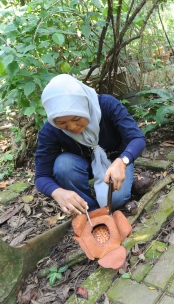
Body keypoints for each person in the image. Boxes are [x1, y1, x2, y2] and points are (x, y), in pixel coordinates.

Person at [34, 74, 146, 216]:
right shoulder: (50, 130)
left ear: (85, 105)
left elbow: (137, 138)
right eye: (62, 123)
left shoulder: (106, 105)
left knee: (116, 200)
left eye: (76, 118)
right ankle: (91, 210)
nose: (72, 126)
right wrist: (57, 192)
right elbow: (41, 176)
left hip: (117, 160)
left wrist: (123, 161)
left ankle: (120, 192)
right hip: (84, 165)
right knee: (63, 165)